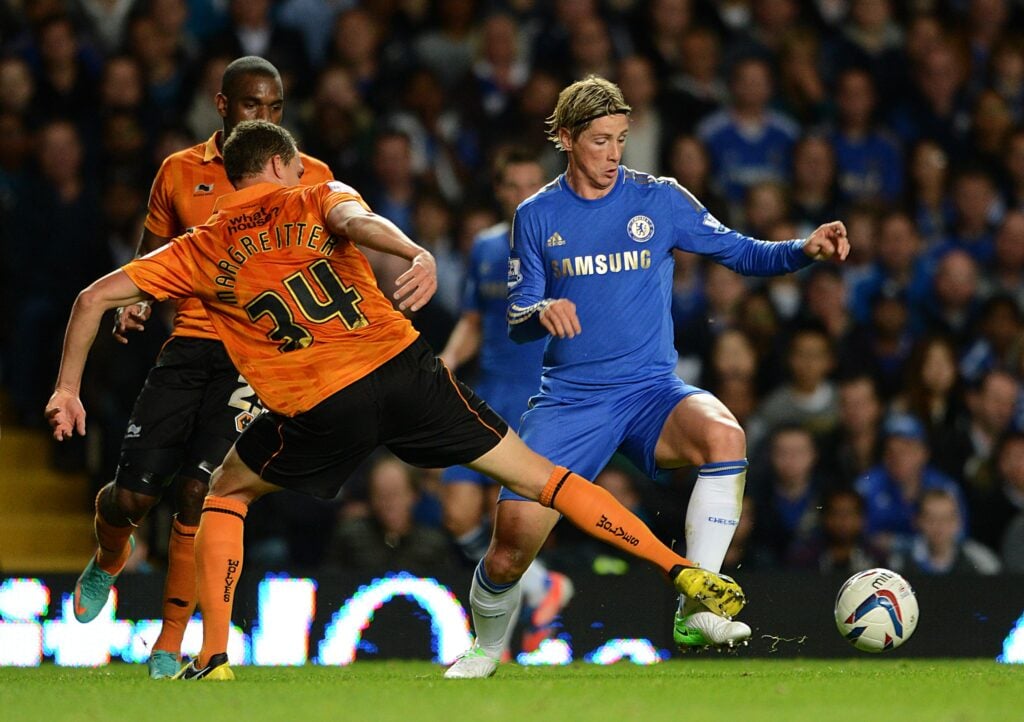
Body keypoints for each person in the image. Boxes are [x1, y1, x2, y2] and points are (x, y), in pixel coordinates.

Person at [45, 119, 746, 681]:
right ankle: (680, 569)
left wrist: (68, 388)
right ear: (285, 165)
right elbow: (360, 223)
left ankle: (215, 659)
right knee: (543, 478)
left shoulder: (198, 249)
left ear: (234, 175)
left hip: (321, 404)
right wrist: (414, 252)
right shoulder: (317, 194)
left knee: (226, 495)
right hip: (404, 369)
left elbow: (91, 298)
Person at [446, 76, 849, 679]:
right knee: (509, 550)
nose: (613, 154)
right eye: (601, 141)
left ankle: (698, 601)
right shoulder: (536, 215)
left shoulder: (659, 198)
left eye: (621, 140)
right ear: (565, 139)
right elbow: (518, 314)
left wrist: (802, 248)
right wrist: (539, 312)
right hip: (571, 401)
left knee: (724, 435)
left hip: (649, 392)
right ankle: (485, 648)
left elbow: (737, 251)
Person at [66, 56, 334, 680]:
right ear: (222, 106)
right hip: (187, 346)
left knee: (200, 491)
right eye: (252, 106)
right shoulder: (179, 171)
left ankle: (170, 641)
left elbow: (332, 263)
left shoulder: (308, 176)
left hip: (255, 354)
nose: (265, 118)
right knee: (132, 496)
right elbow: (151, 254)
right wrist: (135, 304)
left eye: (275, 108)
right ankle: (110, 550)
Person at [437, 148, 572, 654]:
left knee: (518, 523)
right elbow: (473, 319)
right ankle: (541, 588)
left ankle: (516, 624)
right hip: (489, 395)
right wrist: (447, 361)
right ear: (499, 191)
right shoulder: (486, 247)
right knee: (457, 510)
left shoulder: (566, 244)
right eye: (512, 186)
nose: (522, 196)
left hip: (542, 396)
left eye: (531, 185)